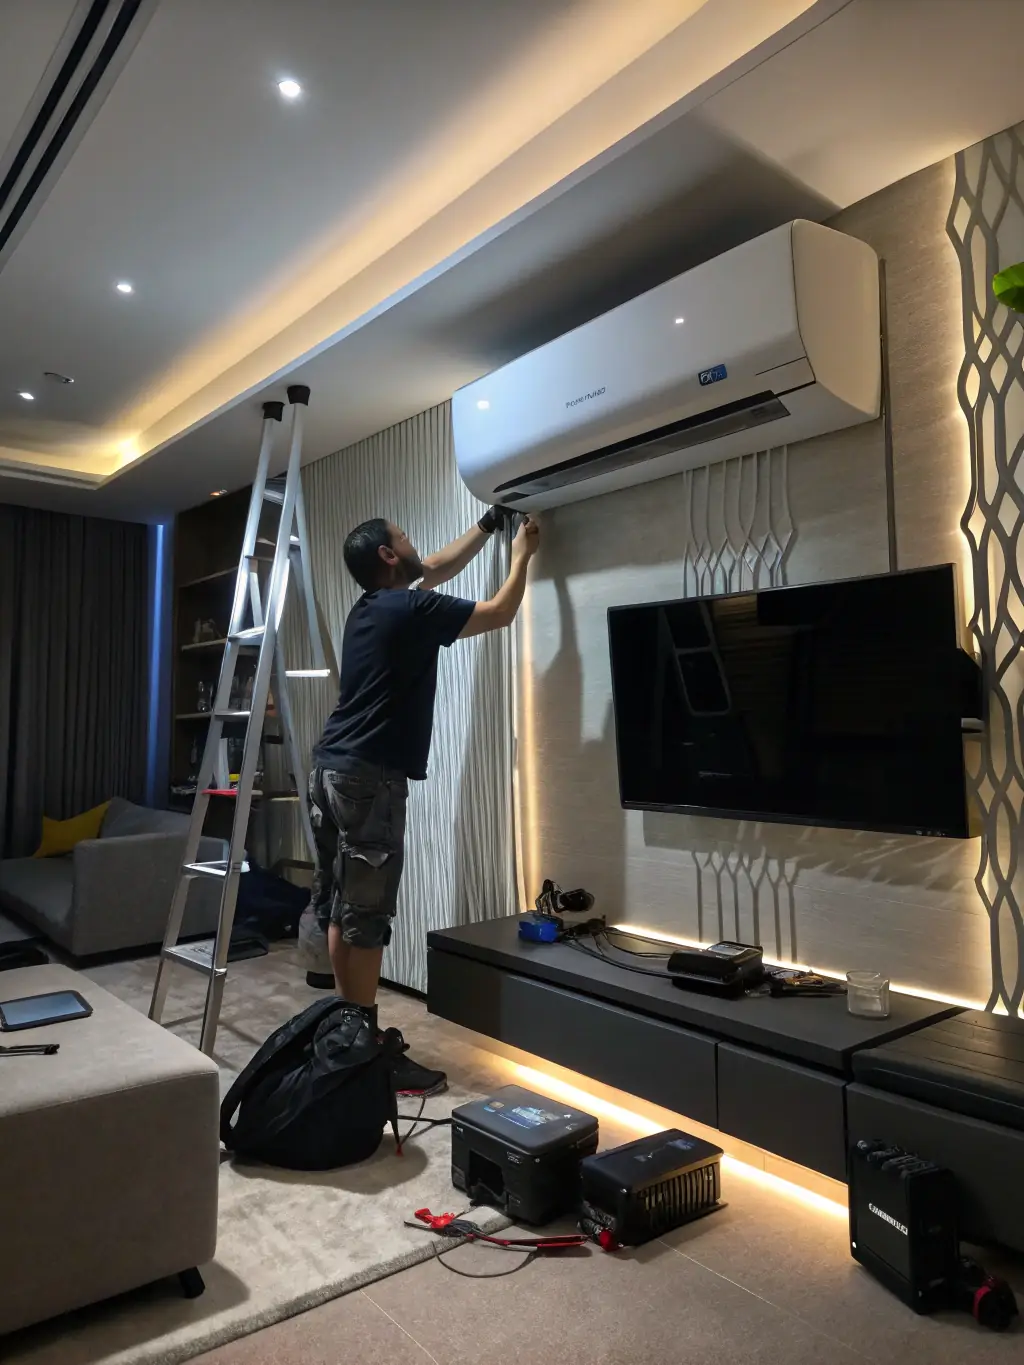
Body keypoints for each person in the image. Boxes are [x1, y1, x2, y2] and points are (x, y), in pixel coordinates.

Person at [307, 506, 540, 1095]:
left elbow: (435, 564)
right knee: (367, 918)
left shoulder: (373, 607)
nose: (414, 545)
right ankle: (364, 1054)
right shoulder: (409, 609)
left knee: (342, 906)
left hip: (330, 772)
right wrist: (522, 556)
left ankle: (348, 1032)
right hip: (368, 779)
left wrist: (489, 526)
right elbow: (501, 613)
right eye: (403, 538)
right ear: (388, 556)